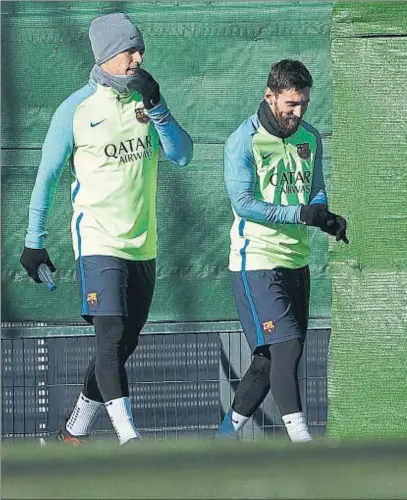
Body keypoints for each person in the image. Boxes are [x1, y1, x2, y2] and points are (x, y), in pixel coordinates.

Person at [19, 12, 193, 446]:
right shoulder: (75, 110)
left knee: (121, 346)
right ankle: (129, 439)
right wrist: (33, 243)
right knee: (111, 336)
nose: (137, 58)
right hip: (98, 241)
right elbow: (47, 176)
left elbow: (183, 154)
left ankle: (74, 430)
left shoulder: (147, 102)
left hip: (143, 244)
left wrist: (159, 107)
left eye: (140, 50)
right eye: (128, 50)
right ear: (105, 55)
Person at [216, 59, 348, 442]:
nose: (298, 112)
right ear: (269, 96)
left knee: (266, 362)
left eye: (304, 103)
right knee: (286, 348)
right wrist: (300, 213)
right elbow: (243, 203)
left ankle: (222, 441)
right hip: (255, 261)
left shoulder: (310, 137)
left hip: (297, 262)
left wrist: (323, 216)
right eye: (291, 104)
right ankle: (303, 445)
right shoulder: (243, 140)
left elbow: (315, 190)